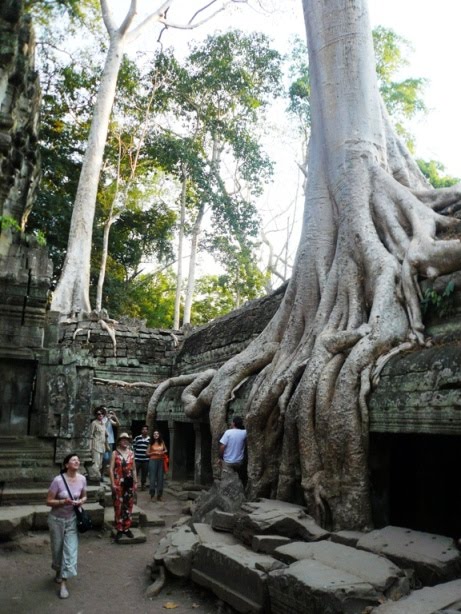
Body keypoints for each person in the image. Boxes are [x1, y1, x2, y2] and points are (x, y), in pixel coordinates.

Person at [46, 453, 87, 599]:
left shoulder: (82, 479)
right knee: (57, 550)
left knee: (70, 550)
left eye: (78, 459)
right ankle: (58, 569)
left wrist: (80, 501)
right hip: (56, 519)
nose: (77, 461)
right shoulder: (58, 481)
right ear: (66, 465)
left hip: (72, 520)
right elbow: (48, 501)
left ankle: (63, 583)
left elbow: (84, 495)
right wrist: (63, 502)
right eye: (73, 460)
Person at [109, 432, 137, 542]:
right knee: (118, 505)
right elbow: (111, 469)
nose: (125, 441)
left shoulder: (131, 453)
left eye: (127, 439)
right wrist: (112, 483)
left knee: (129, 504)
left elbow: (134, 469)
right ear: (119, 441)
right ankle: (119, 528)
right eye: (123, 439)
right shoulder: (115, 453)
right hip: (118, 481)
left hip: (129, 482)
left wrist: (136, 481)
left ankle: (127, 528)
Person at [219, 416, 247, 482]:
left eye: (232, 422)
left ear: (233, 423)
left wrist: (220, 458)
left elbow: (222, 446)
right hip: (239, 462)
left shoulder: (228, 432)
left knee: (226, 480)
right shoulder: (244, 433)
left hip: (228, 462)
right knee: (238, 479)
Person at [148, 430, 167, 502]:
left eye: (157, 434)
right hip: (152, 461)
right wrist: (154, 452)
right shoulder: (151, 443)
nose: (156, 435)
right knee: (152, 478)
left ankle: (159, 495)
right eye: (154, 434)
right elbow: (146, 453)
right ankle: (152, 495)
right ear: (153, 435)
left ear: (159, 435)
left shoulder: (162, 442)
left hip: (161, 461)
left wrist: (162, 452)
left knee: (160, 478)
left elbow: (166, 450)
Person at [101, 406, 120, 480]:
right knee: (105, 458)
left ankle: (106, 474)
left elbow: (118, 424)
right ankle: (102, 473)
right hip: (104, 441)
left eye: (107, 411)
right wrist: (108, 420)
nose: (106, 412)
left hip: (110, 441)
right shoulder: (102, 419)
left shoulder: (109, 420)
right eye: (104, 411)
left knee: (110, 459)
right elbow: (103, 427)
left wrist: (114, 416)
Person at [89, 407, 108, 480]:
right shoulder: (94, 423)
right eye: (98, 414)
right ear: (96, 415)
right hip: (96, 445)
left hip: (102, 446)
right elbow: (91, 435)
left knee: (100, 464)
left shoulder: (103, 424)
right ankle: (95, 478)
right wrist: (90, 447)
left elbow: (105, 434)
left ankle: (97, 477)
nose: (100, 415)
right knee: (95, 463)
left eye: (102, 414)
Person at [133, 425, 150, 491]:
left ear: (147, 431)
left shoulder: (150, 439)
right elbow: (133, 447)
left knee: (144, 473)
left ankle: (143, 485)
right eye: (143, 429)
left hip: (146, 460)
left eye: (146, 429)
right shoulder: (137, 438)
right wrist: (133, 457)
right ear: (141, 431)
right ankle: (134, 485)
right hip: (137, 459)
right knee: (135, 472)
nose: (144, 430)